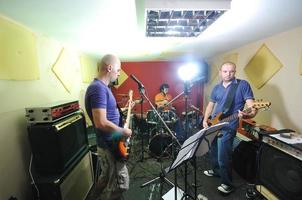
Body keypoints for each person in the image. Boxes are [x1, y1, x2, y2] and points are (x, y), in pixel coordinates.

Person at [202, 61, 257, 194]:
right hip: (214, 123)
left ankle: (228, 183)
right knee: (213, 149)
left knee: (223, 156)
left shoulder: (242, 85)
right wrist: (205, 119)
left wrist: (247, 114)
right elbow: (210, 105)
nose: (228, 74)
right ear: (220, 72)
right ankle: (216, 171)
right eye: (225, 71)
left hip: (229, 124)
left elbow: (252, 108)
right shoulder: (216, 88)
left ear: (235, 71)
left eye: (231, 71)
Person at [85, 54, 132, 200]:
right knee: (120, 184)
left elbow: (108, 115)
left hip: (109, 143)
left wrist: (124, 109)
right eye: (118, 70)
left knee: (106, 178)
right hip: (109, 145)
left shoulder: (102, 88)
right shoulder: (98, 89)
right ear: (109, 67)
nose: (119, 73)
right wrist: (124, 131)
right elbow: (101, 122)